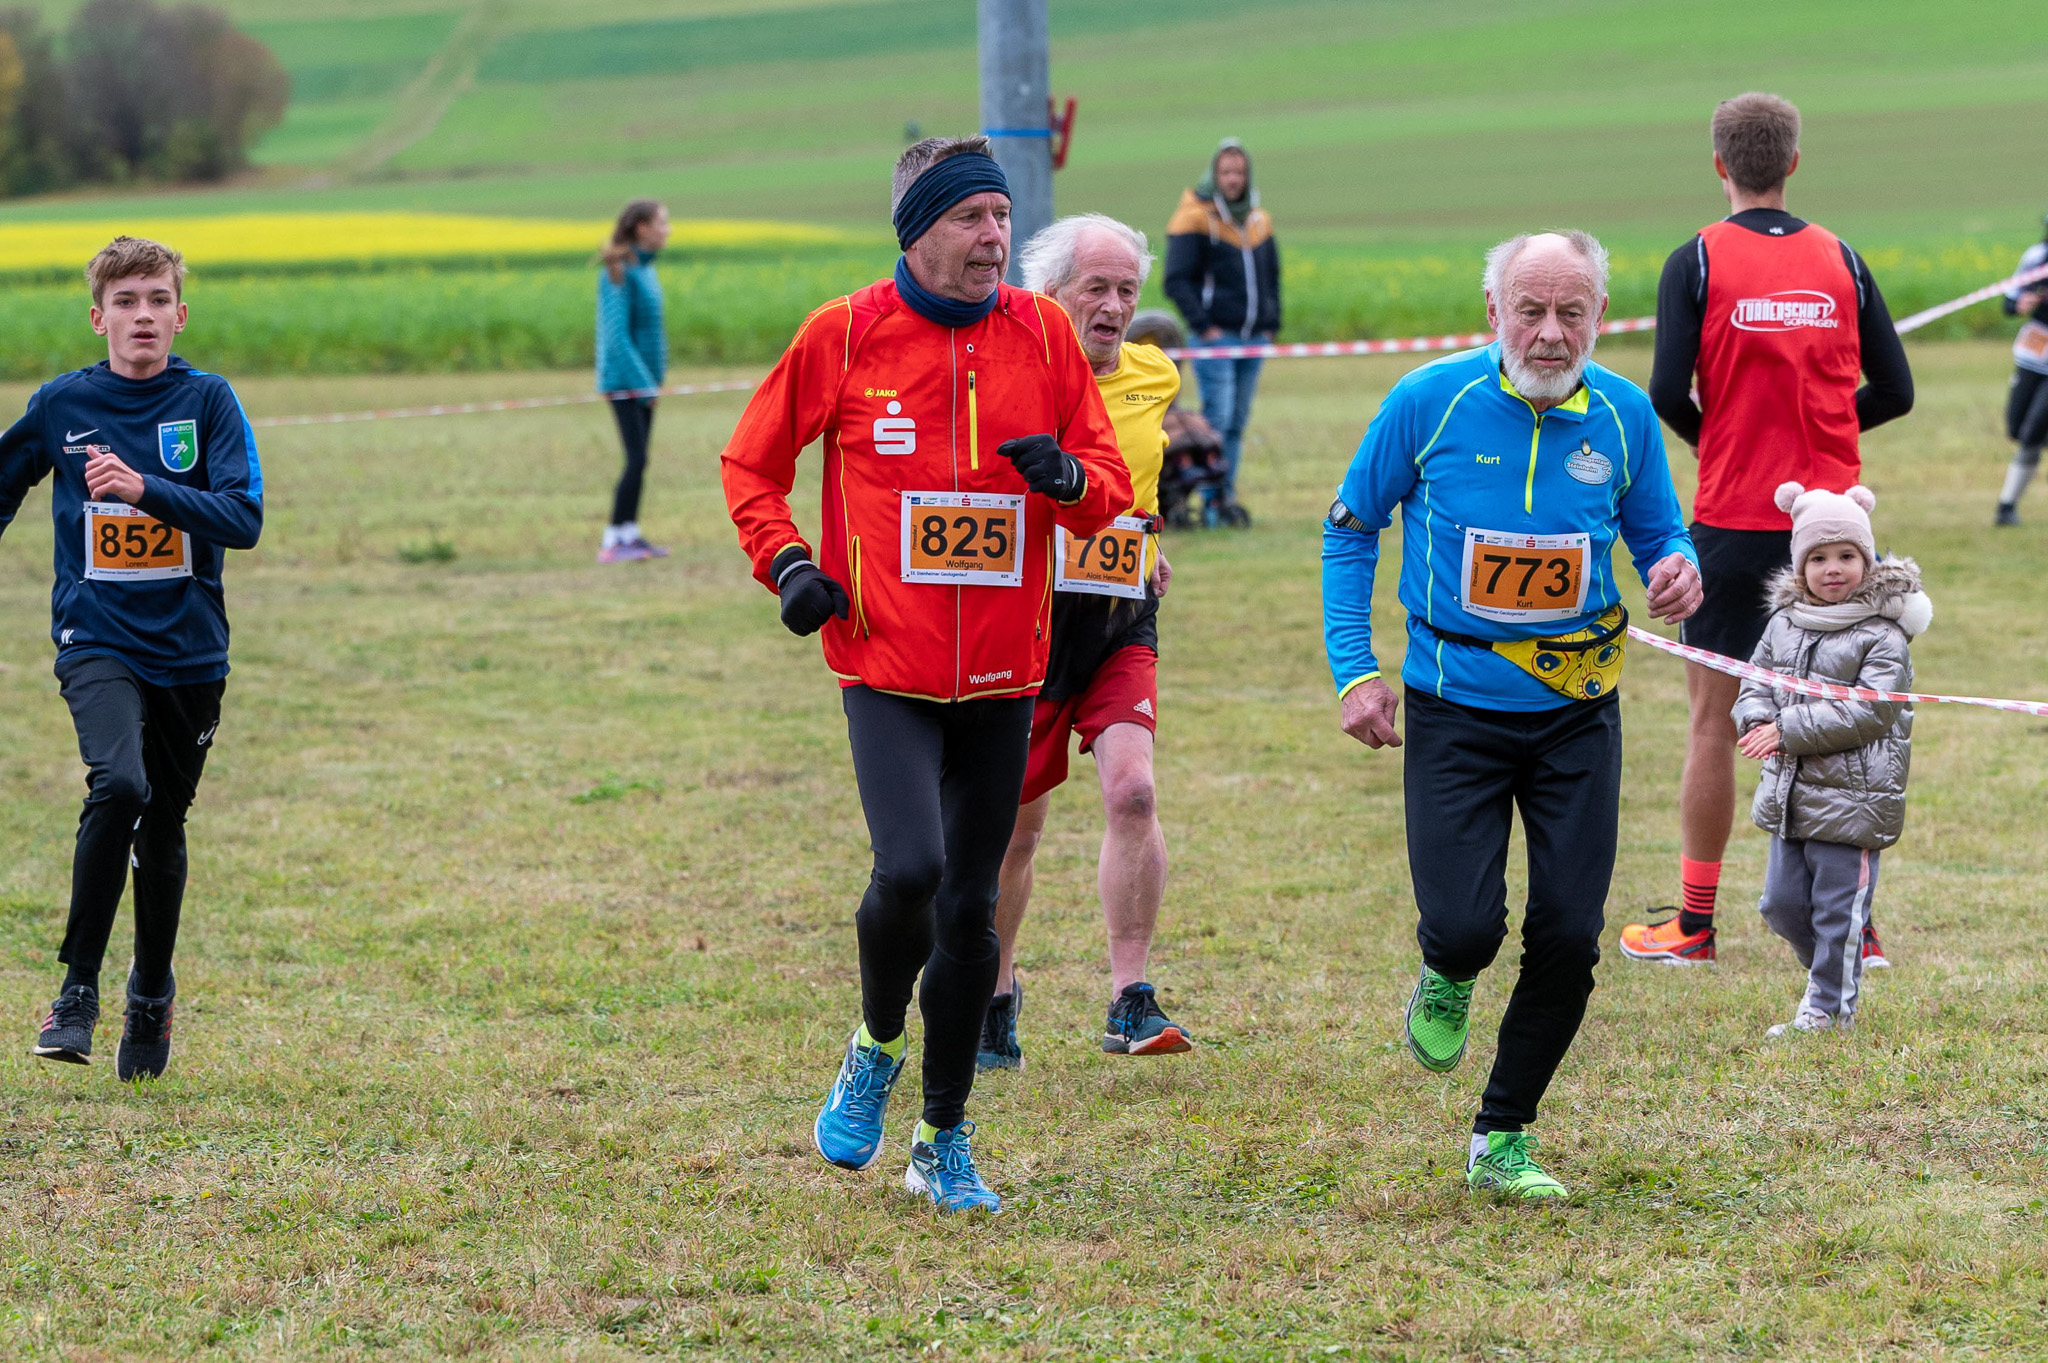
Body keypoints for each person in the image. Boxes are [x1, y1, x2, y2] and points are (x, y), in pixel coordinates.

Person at [719, 137, 1130, 1213]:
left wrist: (1069, 476)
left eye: (1002, 217)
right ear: (917, 233)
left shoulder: (1042, 333)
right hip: (885, 662)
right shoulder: (845, 332)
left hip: (1002, 673)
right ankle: (873, 1044)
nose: (995, 237)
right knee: (908, 869)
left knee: (968, 909)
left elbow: (1108, 486)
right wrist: (787, 562)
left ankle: (942, 1137)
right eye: (971, 218)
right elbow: (751, 463)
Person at [1322, 231, 1702, 1198]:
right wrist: (1355, 670)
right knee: (1463, 928)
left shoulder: (1623, 413)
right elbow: (1351, 528)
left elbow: (1660, 529)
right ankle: (1446, 972)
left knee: (1570, 935)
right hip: (1454, 707)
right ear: (1493, 312)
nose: (1550, 333)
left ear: (1600, 316)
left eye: (1572, 312)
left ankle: (1502, 1135)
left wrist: (1677, 566)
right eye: (1530, 311)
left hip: (1579, 710)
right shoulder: (1428, 400)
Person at [1620, 92, 1913, 968]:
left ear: (1720, 165)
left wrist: (1722, 442)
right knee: (1842, 718)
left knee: (1712, 722)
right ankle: (1856, 926)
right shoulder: (1843, 259)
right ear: (1793, 163)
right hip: (1834, 532)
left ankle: (1694, 924)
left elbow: (1665, 390)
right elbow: (1896, 390)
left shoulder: (1695, 259)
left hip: (1732, 517)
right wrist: (1828, 434)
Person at [0, 236, 264, 1080]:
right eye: (125, 301)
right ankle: (76, 992)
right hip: (97, 637)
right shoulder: (62, 405)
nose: (142, 315)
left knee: (165, 823)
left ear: (179, 315)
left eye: (156, 300)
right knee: (119, 783)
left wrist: (146, 489)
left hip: (190, 651)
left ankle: (150, 992)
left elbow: (244, 519)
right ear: (99, 317)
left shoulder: (209, 401)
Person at [978, 214, 1189, 1073]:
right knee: (1012, 834)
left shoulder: (1155, 373)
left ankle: (1130, 997)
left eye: (1127, 290)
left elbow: (1140, 479)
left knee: (1134, 791)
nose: (1114, 306)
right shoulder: (1004, 371)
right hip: (1027, 623)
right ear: (1049, 293)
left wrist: (1148, 535)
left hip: (1116, 618)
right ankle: (994, 991)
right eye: (1095, 288)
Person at [1734, 483, 1929, 1036]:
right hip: (1791, 793)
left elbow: (1871, 711)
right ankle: (1829, 967)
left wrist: (1785, 730)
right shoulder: (1783, 623)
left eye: (1847, 555)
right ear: (1800, 564)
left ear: (1868, 561)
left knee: (1838, 912)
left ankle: (1828, 1009)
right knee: (1780, 906)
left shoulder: (1883, 635)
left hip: (1854, 800)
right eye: (1818, 557)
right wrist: (1756, 719)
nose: (1833, 568)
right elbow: (1754, 681)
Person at [1164, 137, 1279, 527]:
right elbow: (1176, 280)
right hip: (1216, 339)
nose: (1233, 179)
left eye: (1240, 172)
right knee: (1218, 420)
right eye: (1227, 172)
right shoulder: (1195, 217)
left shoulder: (1258, 220)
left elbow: (1272, 276)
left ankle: (1224, 496)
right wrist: (1204, 326)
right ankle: (1207, 499)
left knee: (1237, 422)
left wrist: (1270, 323)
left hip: (1252, 339)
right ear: (1215, 174)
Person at [596, 198, 671, 563]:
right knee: (636, 458)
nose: (668, 231)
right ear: (642, 228)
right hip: (625, 383)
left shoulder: (645, 269)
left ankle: (629, 533)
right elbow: (616, 337)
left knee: (640, 460)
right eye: (662, 223)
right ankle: (612, 539)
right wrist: (643, 385)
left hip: (644, 385)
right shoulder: (619, 271)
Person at [1993, 213, 2048, 526]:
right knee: (2016, 428)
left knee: (2032, 431)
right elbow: (2008, 302)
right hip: (2033, 353)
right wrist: (2020, 304)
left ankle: (2006, 508)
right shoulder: (2036, 258)